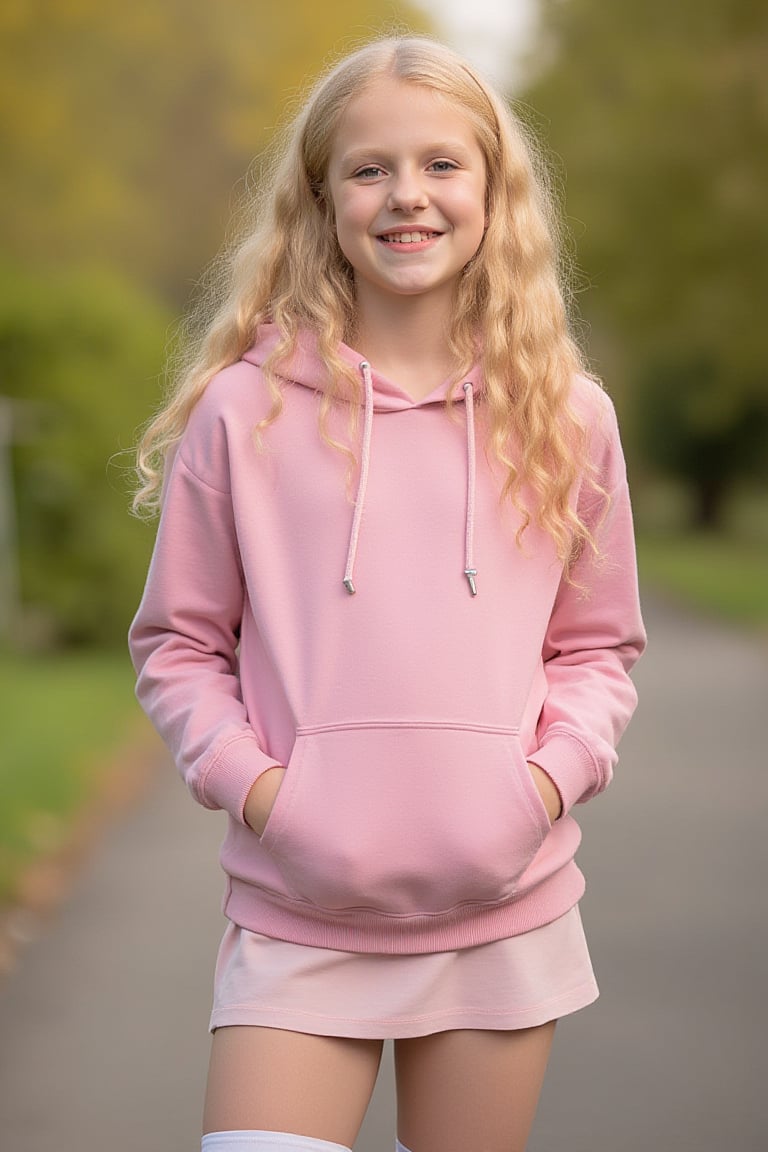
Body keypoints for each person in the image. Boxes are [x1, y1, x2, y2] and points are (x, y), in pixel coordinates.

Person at [129, 34, 646, 1152]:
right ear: (322, 200)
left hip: (500, 914)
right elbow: (178, 644)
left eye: (441, 165)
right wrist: (271, 797)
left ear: (492, 190)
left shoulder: (569, 416)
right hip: (299, 918)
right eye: (369, 169)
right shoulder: (243, 413)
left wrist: (542, 791)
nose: (407, 196)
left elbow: (599, 650)